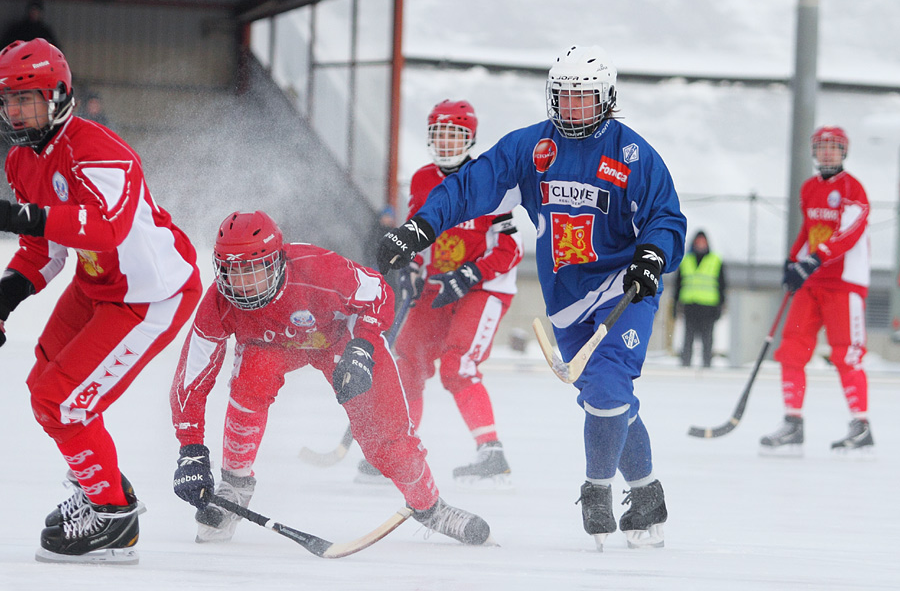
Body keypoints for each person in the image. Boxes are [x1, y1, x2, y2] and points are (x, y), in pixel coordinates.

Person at [375, 45, 686, 551]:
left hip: (622, 290)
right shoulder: (532, 149)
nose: (571, 109)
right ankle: (648, 494)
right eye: (562, 98)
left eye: (583, 99)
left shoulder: (632, 154)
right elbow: (471, 186)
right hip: (566, 298)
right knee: (606, 399)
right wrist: (419, 228)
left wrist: (653, 255)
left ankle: (597, 490)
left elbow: (665, 216)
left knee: (607, 390)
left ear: (606, 100)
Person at [169, 210, 492, 547]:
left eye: (254, 270)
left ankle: (430, 506)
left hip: (339, 338)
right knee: (250, 381)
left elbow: (379, 293)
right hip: (274, 344)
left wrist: (363, 347)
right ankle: (235, 485)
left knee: (385, 441)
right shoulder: (218, 303)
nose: (243, 285)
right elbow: (190, 380)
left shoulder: (320, 268)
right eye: (232, 272)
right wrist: (191, 449)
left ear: (277, 261)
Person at [0, 38, 202, 564]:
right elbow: (44, 251)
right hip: (96, 287)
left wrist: (21, 217)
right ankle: (103, 485)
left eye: (29, 98)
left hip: (150, 296)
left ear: (60, 95)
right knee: (43, 384)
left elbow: (103, 230)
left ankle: (113, 519)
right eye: (9, 100)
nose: (17, 111)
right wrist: (2, 301)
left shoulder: (99, 150)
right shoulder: (23, 161)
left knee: (63, 402)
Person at [356, 100, 524, 487]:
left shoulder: (491, 179)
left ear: (470, 138)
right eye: (440, 134)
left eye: (455, 134)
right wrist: (412, 268)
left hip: (483, 285)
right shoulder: (421, 180)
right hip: (437, 283)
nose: (447, 142)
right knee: (406, 362)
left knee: (457, 365)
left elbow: (510, 249)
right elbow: (418, 236)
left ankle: (491, 452)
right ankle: (399, 447)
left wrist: (469, 273)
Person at [760, 126, 873, 456]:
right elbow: (808, 230)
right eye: (821, 147)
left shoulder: (854, 189)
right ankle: (793, 422)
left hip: (844, 284)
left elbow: (849, 232)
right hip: (812, 284)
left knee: (846, 353)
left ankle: (861, 424)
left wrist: (816, 258)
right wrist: (792, 261)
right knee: (791, 350)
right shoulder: (809, 188)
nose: (827, 153)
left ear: (843, 152)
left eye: (833, 147)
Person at [672, 230, 726, 368]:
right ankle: (685, 366)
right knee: (688, 339)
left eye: (703, 242)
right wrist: (674, 305)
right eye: (698, 242)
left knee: (707, 340)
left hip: (709, 307)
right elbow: (678, 285)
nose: (700, 244)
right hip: (690, 305)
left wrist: (721, 305)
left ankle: (707, 366)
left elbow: (722, 285)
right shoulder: (686, 260)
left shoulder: (716, 260)